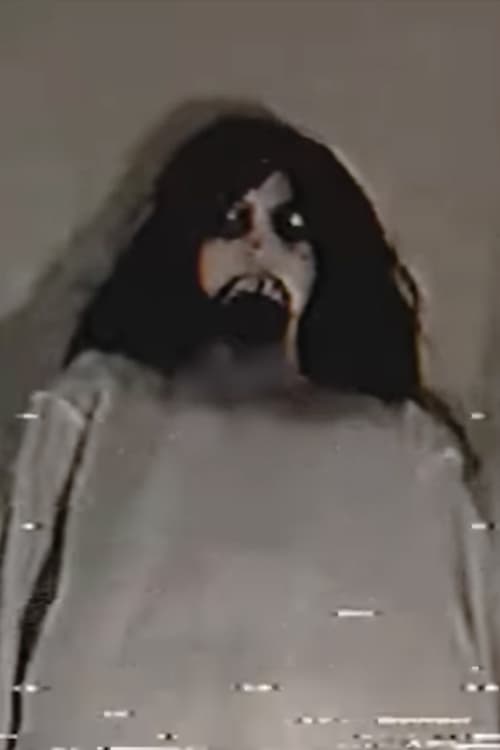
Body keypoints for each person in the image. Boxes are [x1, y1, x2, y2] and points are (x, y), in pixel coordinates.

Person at [0, 112, 498, 749]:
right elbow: (17, 582)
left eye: (292, 229)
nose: (259, 248)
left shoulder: (407, 442)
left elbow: (472, 638)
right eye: (231, 224)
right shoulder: (101, 401)